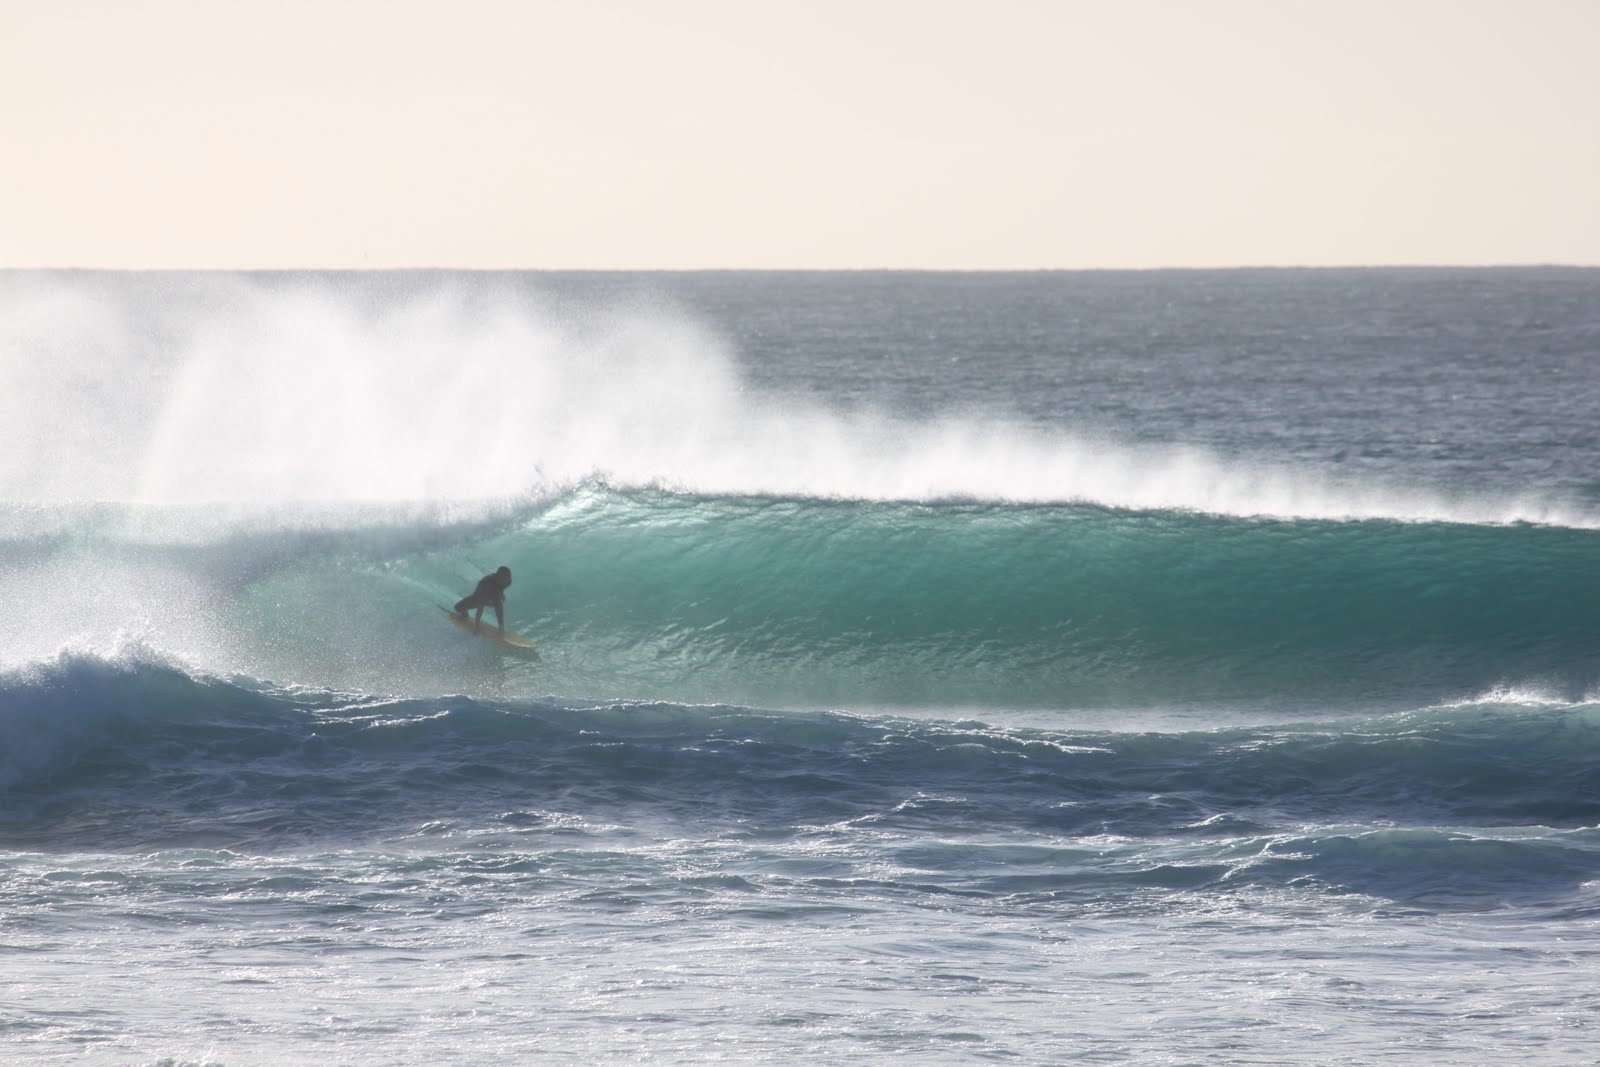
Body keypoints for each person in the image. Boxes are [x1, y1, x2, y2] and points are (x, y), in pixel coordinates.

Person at [454, 565, 512, 634]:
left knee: (498, 602)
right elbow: (480, 606)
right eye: (504, 578)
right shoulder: (486, 584)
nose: (506, 581)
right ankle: (465, 614)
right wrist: (476, 627)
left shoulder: (508, 582)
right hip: (477, 598)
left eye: (507, 578)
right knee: (457, 607)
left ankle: (501, 627)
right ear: (498, 576)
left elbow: (501, 587)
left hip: (492, 597)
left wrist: (501, 593)